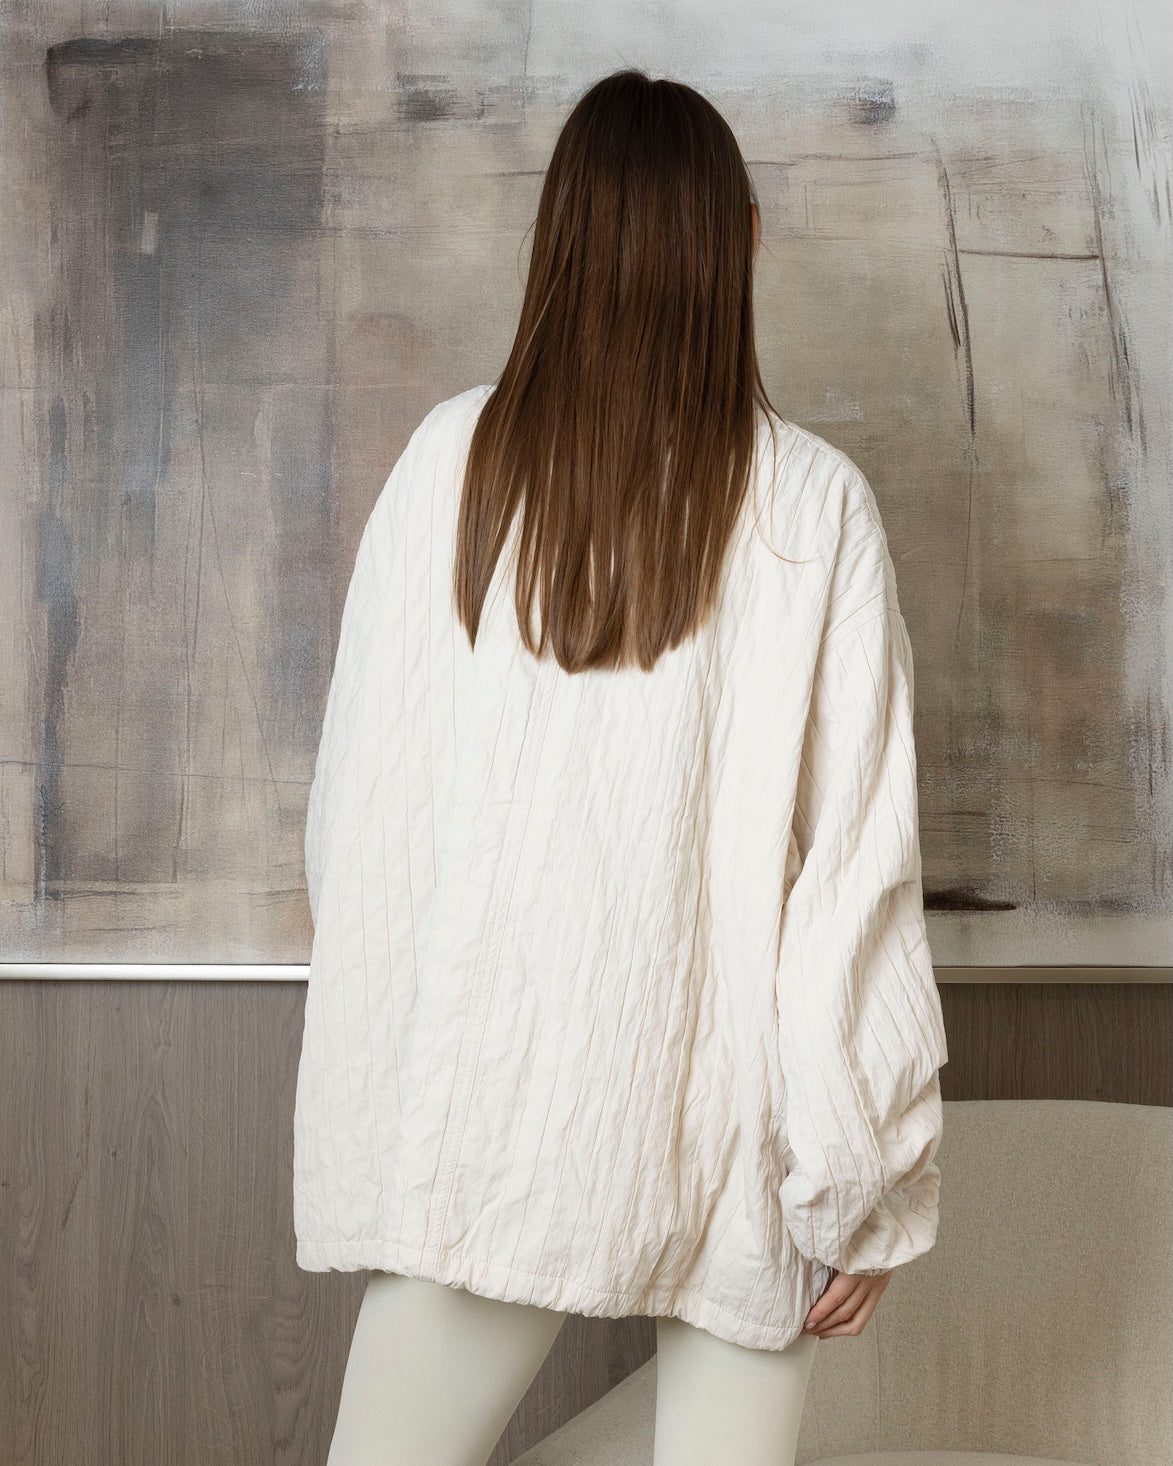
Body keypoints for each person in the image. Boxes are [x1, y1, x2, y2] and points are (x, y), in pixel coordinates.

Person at [292, 67, 950, 1466]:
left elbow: (364, 821)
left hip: (482, 1117)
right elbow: (850, 884)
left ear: (557, 240)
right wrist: (864, 1185)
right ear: (742, 241)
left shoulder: (447, 465)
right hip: (733, 1139)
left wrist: (406, 1087)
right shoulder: (811, 506)